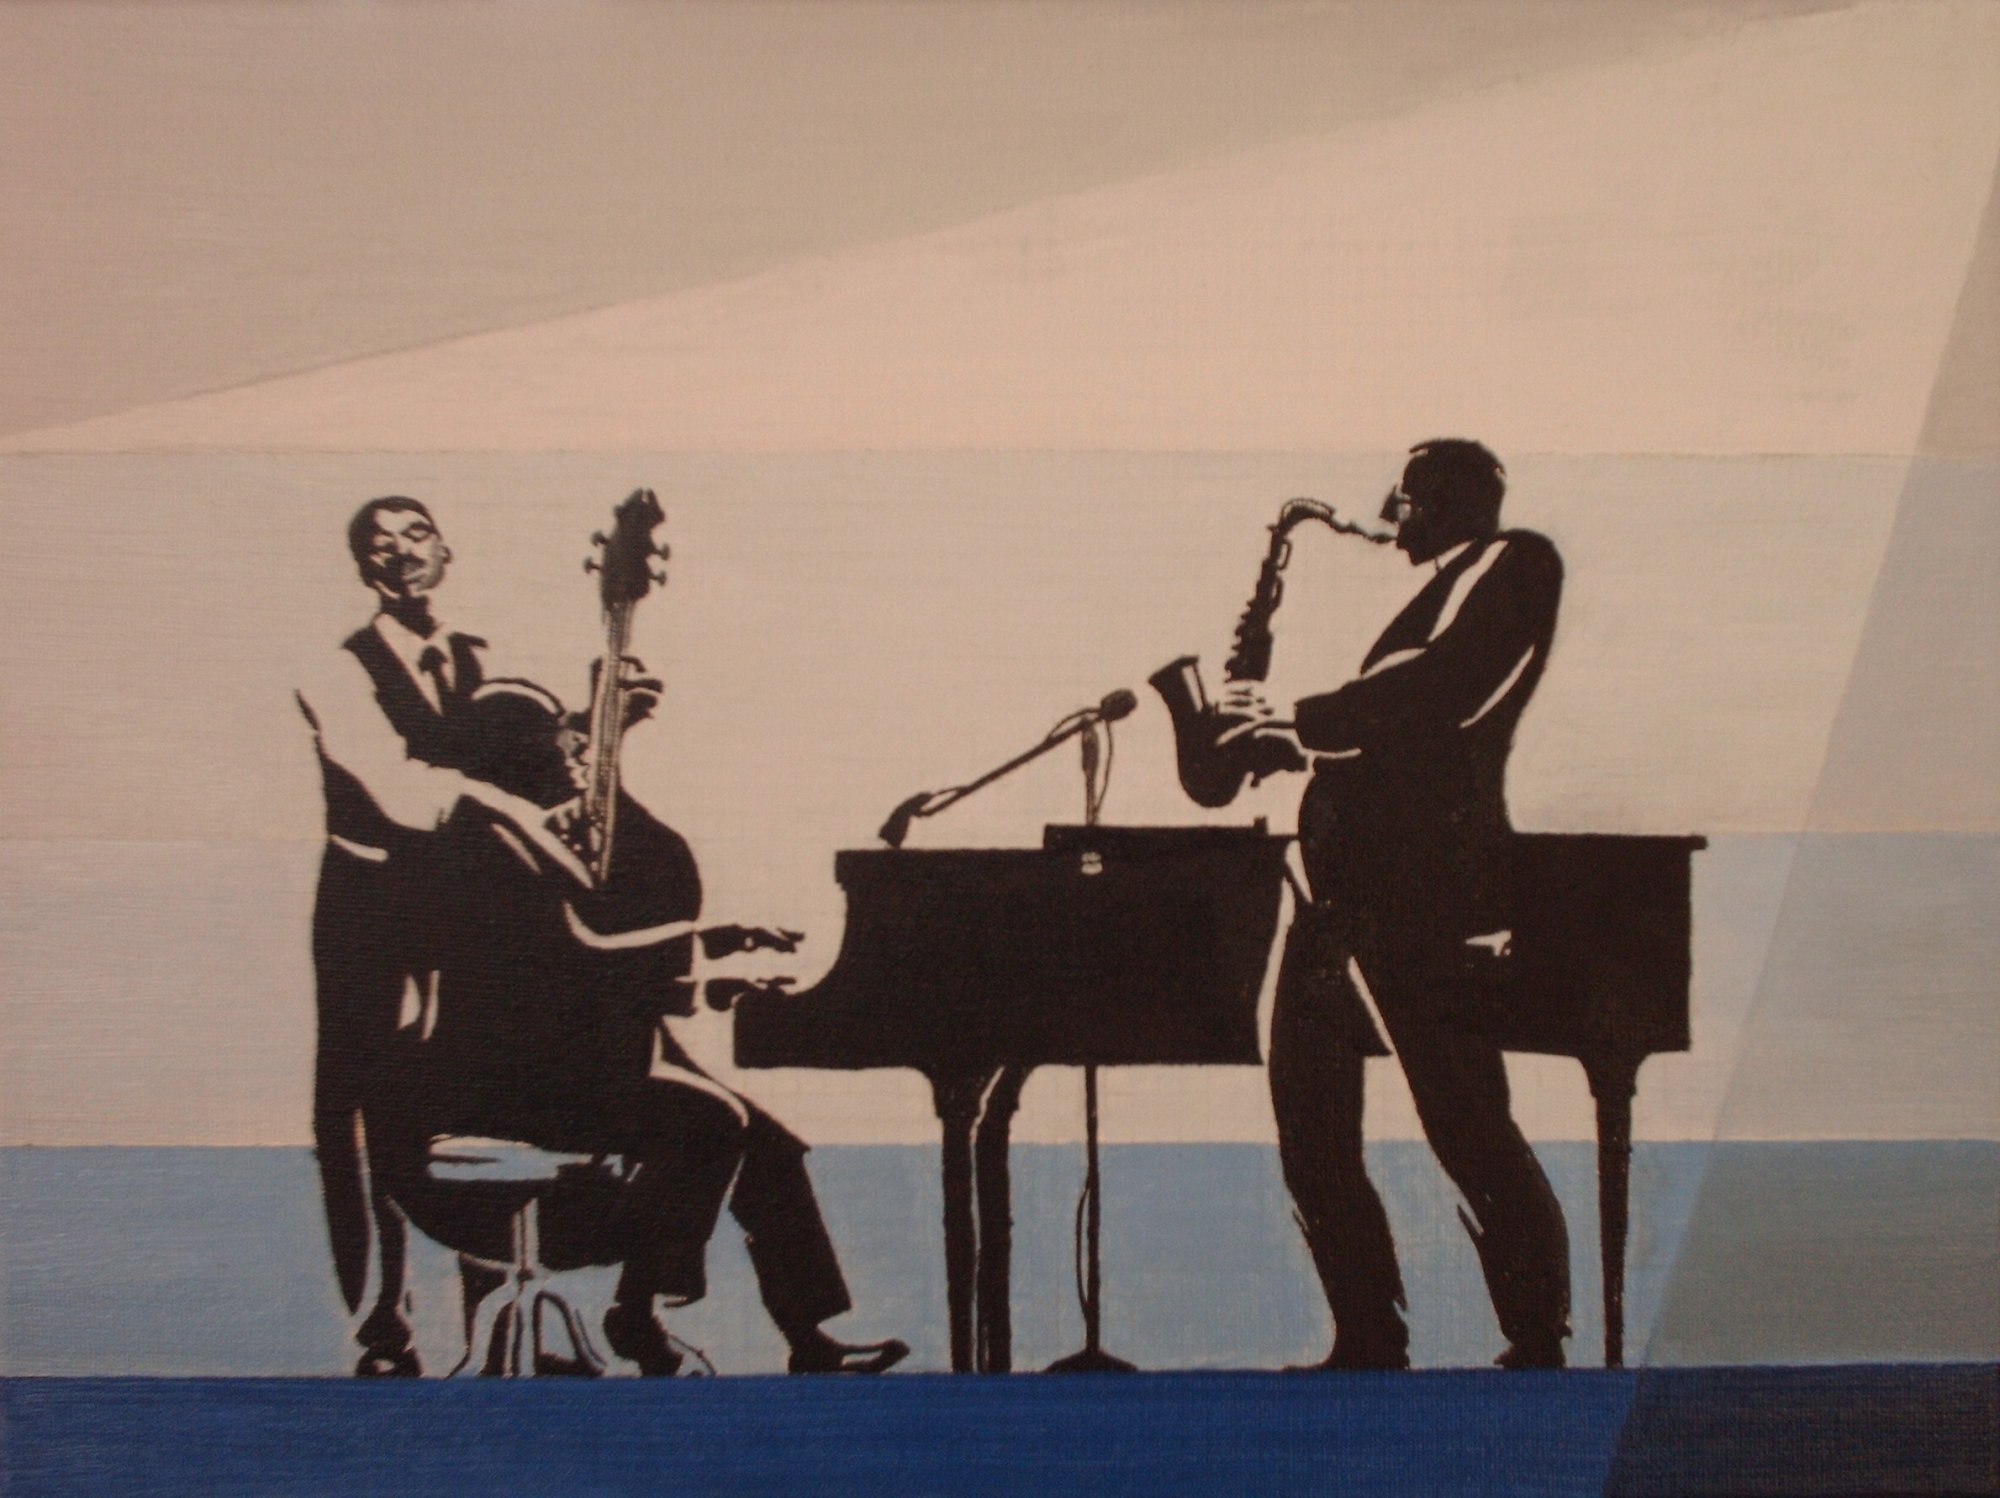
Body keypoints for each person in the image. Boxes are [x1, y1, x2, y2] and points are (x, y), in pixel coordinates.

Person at [377, 679, 908, 1376]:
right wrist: (707, 944)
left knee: (770, 1145)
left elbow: (581, 966)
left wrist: (712, 971)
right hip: (505, 1089)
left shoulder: (520, 833)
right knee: (710, 1121)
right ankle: (637, 1312)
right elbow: (574, 957)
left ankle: (808, 1339)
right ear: (516, 753)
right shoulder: (485, 839)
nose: (578, 751)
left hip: (549, 1069)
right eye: (562, 738)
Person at [1230, 439, 1572, 1370]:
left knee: (1463, 1116)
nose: (1388, 514)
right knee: (1310, 1124)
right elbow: (1403, 701)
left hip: (1420, 895)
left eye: (1408, 498)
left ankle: (1536, 1336)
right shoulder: (1444, 587)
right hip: (1335, 898)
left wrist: (1298, 727)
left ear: (1454, 501)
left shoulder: (1516, 561)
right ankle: (1368, 1334)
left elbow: (1443, 690)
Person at [295, 496, 580, 1376]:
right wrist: (510, 808)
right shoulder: (339, 668)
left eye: (415, 535)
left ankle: (496, 1317)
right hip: (371, 901)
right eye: (379, 545)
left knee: (477, 1088)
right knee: (360, 1105)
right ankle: (385, 1325)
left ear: (445, 550)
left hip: (470, 904)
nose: (400, 553)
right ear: (364, 568)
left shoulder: (482, 660)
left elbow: (539, 764)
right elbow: (402, 789)